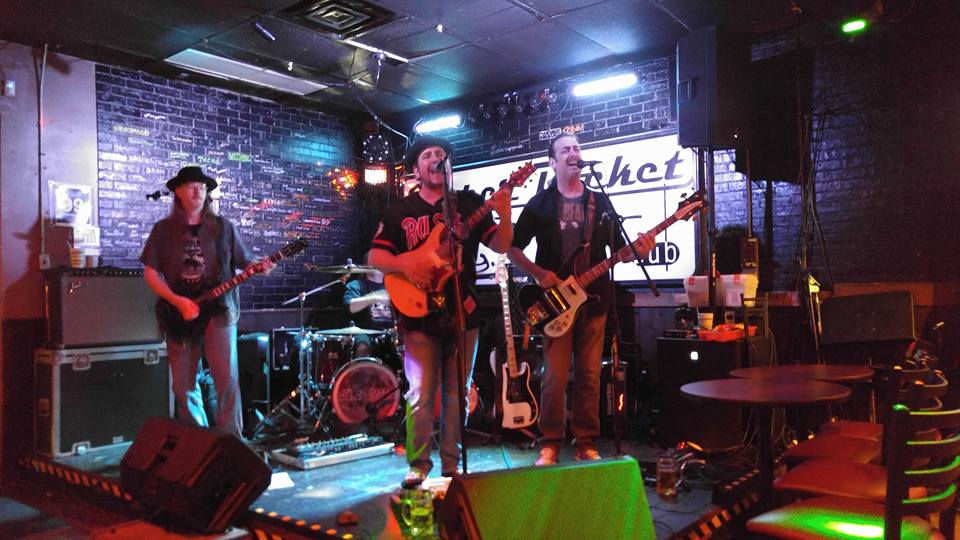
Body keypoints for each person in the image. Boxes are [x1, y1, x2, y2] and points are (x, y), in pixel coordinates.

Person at [368, 136, 513, 486]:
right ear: (416, 170)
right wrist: (408, 263)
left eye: (441, 155)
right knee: (420, 394)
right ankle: (418, 465)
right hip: (418, 313)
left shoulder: (468, 204)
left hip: (462, 310)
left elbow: (502, 245)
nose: (435, 158)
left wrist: (505, 211)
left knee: (457, 394)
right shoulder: (400, 210)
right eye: (427, 155)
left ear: (448, 166)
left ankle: (451, 466)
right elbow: (375, 258)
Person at [508, 133, 655, 465]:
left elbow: (621, 250)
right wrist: (539, 274)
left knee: (590, 375)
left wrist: (640, 250)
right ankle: (550, 441)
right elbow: (512, 248)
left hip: (595, 300)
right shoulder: (539, 203)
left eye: (576, 148)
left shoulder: (599, 202)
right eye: (565, 149)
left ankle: (586, 441)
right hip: (554, 302)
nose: (573, 152)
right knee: (555, 377)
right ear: (553, 162)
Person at [140, 166, 275, 436]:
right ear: (177, 191)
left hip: (220, 311)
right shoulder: (163, 230)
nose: (198, 191)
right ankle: (197, 441)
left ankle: (231, 443)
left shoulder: (223, 227)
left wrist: (260, 266)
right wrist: (177, 301)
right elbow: (150, 273)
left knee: (227, 382)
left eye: (202, 187)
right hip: (179, 314)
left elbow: (245, 261)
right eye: (191, 186)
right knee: (183, 386)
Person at [342, 261, 394, 358]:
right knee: (363, 348)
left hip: (389, 332)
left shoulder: (393, 286)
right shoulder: (356, 285)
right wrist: (374, 297)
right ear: (365, 266)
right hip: (364, 332)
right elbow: (350, 307)